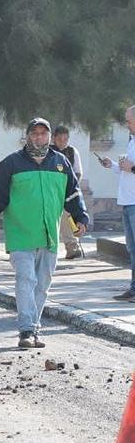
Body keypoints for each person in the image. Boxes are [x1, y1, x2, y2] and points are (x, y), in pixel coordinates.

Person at [0, 118, 89, 349]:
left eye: (43, 134)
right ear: (27, 136)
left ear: (49, 137)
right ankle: (26, 330)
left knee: (42, 284)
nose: (39, 137)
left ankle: (34, 328)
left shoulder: (60, 162)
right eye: (35, 133)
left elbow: (72, 194)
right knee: (26, 279)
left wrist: (81, 217)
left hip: (49, 236)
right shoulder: (11, 164)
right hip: (21, 234)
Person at [101, 106, 135, 301]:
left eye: (129, 120)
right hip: (128, 202)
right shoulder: (132, 142)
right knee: (132, 249)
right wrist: (113, 165)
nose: (126, 124)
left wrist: (132, 167)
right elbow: (127, 169)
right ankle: (133, 289)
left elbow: (132, 168)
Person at [51, 125, 86, 259]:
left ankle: (72, 246)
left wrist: (71, 188)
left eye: (65, 139)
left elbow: (78, 172)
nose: (62, 142)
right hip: (51, 192)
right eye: (60, 139)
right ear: (54, 139)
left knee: (68, 216)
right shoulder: (48, 152)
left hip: (67, 192)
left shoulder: (72, 152)